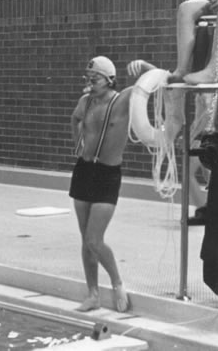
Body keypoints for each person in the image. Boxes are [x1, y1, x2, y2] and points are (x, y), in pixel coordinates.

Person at [69, 56, 156, 312]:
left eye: (94, 79)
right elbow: (74, 120)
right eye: (87, 79)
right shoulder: (85, 102)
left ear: (109, 80)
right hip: (84, 171)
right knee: (86, 240)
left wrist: (143, 66)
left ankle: (117, 283)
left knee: (95, 240)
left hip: (107, 175)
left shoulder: (123, 100)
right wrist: (78, 143)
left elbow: (159, 79)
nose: (89, 84)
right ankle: (93, 294)